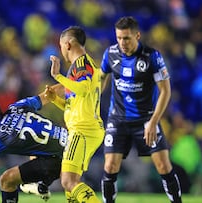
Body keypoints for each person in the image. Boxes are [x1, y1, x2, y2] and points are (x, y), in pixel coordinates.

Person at [100, 16, 182, 203]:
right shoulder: (110, 54)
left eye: (126, 38)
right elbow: (101, 77)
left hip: (146, 120)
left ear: (137, 35)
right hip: (118, 119)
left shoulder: (152, 56)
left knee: (163, 165)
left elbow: (165, 91)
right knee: (110, 166)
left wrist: (153, 122)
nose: (122, 43)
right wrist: (94, 94)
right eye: (119, 38)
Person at [43, 26, 104, 203]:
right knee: (72, 185)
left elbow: (83, 90)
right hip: (86, 128)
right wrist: (55, 99)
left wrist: (57, 76)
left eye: (61, 45)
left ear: (68, 44)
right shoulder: (82, 66)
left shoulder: (81, 64)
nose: (61, 50)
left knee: (68, 181)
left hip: (82, 130)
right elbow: (75, 104)